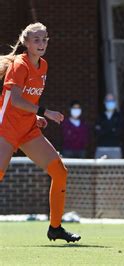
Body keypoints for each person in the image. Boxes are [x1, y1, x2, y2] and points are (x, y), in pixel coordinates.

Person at [0, 22, 80, 242]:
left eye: (45, 39)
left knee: (59, 172)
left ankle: (55, 228)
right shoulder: (20, 64)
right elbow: (14, 100)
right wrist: (45, 112)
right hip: (6, 128)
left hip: (27, 128)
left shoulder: (43, 65)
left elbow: (25, 100)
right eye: (36, 39)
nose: (42, 43)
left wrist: (35, 117)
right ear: (26, 43)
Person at [94, 93, 123, 158]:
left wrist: (104, 128)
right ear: (104, 102)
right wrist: (111, 128)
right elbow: (96, 132)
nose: (110, 103)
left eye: (112, 101)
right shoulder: (100, 116)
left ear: (115, 102)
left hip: (115, 148)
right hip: (101, 148)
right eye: (108, 101)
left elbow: (119, 132)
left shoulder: (119, 116)